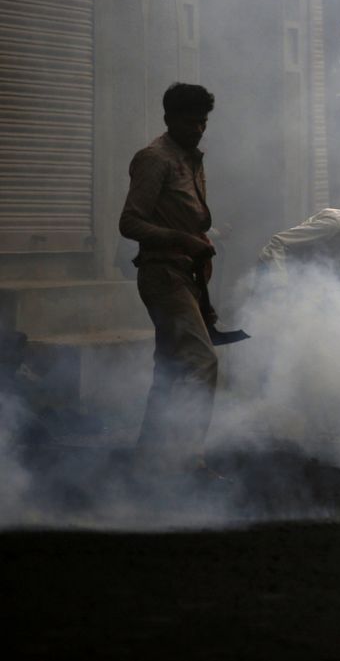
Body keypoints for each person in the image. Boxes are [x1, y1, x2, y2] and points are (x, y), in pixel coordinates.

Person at [119, 82, 220, 474]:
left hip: (185, 273)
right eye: (190, 120)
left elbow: (187, 218)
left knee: (172, 367)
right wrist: (181, 240)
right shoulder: (155, 158)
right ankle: (187, 461)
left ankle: (147, 459)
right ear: (168, 118)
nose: (198, 128)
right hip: (162, 274)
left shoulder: (190, 158)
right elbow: (130, 222)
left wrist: (198, 244)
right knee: (202, 361)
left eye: (203, 121)